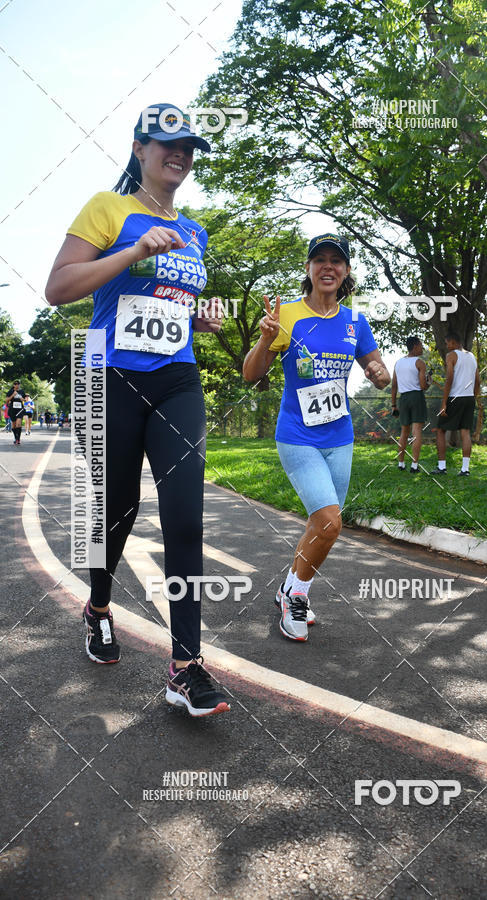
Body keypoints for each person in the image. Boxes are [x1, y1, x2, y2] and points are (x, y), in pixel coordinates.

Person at [45, 102, 229, 717]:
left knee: (186, 518)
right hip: (111, 378)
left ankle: (186, 665)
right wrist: (133, 252)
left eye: (189, 146)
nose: (180, 153)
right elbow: (59, 289)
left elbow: (169, 311)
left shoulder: (196, 231)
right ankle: (98, 606)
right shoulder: (108, 207)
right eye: (167, 143)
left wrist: (198, 319)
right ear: (139, 148)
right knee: (115, 512)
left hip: (177, 380)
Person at [242, 234, 390, 641]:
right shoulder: (286, 315)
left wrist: (380, 373)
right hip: (297, 435)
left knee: (320, 524)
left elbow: (376, 366)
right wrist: (265, 338)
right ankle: (297, 596)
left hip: (340, 437)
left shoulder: (356, 322)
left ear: (346, 272)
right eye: (319, 260)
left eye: (336, 261)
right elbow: (251, 375)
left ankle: (289, 585)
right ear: (308, 269)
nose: (328, 267)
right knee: (329, 523)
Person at [432, 331, 479, 476]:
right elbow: (478, 380)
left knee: (440, 430)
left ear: (452, 342)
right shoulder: (472, 356)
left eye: (447, 344)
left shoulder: (451, 355)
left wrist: (444, 403)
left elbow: (449, 379)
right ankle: (465, 469)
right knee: (465, 432)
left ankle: (441, 467)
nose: (446, 347)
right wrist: (473, 397)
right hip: (469, 398)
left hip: (455, 398)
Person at [390, 336, 431, 472]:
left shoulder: (398, 363)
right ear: (414, 346)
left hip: (403, 399)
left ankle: (401, 463)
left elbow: (394, 386)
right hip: (416, 396)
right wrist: (429, 381)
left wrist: (393, 405)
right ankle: (414, 465)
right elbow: (423, 386)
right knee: (416, 431)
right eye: (420, 345)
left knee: (404, 432)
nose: (422, 347)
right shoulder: (420, 363)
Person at [5, 380, 25, 445]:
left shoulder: (22, 392)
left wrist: (23, 399)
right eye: (16, 384)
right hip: (12, 410)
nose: (17, 385)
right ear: (14, 385)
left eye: (18, 384)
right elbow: (7, 400)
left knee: (18, 423)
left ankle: (18, 439)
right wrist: (13, 395)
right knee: (13, 425)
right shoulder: (10, 391)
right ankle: (15, 437)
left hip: (20, 409)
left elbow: (25, 400)